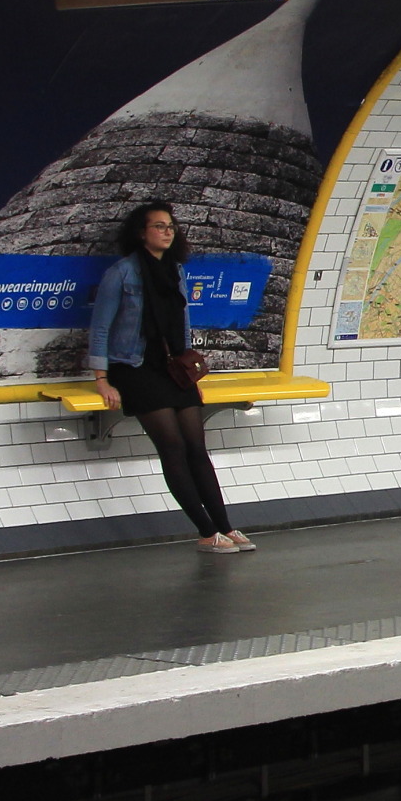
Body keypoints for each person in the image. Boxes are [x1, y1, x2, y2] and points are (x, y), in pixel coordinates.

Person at [91, 202, 253, 553]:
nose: (167, 232)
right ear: (141, 232)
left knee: (197, 447)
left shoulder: (175, 271)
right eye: (159, 226)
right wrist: (102, 378)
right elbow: (101, 328)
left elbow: (182, 321)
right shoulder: (121, 273)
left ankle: (226, 526)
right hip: (134, 368)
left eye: (170, 227)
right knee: (173, 447)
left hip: (172, 368)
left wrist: (188, 361)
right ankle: (207, 532)